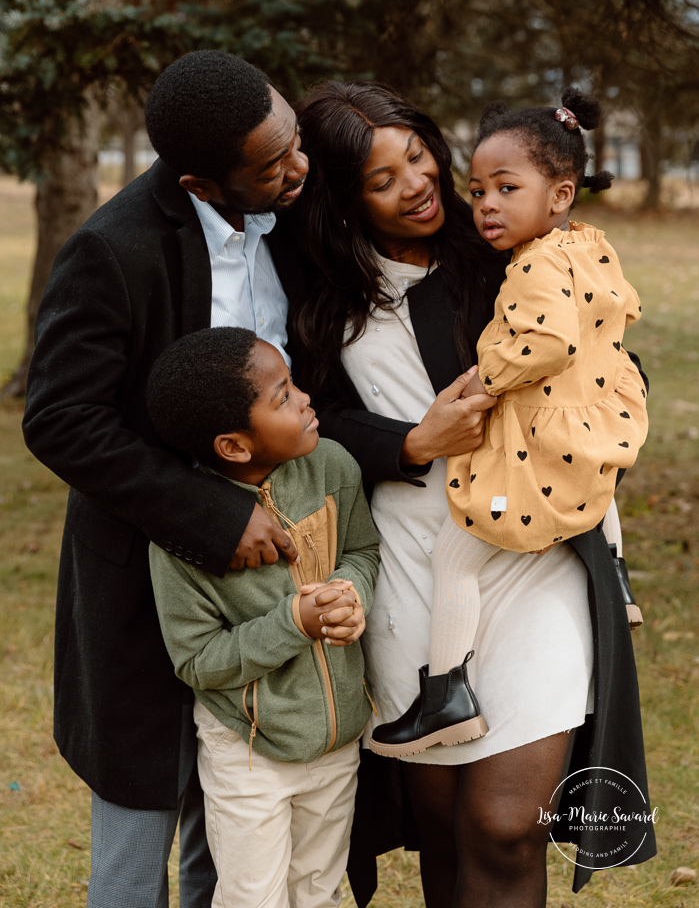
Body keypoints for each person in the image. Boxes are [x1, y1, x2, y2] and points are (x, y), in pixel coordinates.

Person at [290, 80, 655, 907]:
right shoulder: (324, 296)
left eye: (417, 158)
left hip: (533, 552)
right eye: (382, 180)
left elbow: (609, 362)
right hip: (416, 564)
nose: (416, 184)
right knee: (444, 821)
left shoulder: (506, 250)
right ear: (342, 199)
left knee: (504, 822)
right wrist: (411, 441)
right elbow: (309, 422)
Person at [22, 51, 314, 908]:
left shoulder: (295, 215)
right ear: (200, 180)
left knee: (239, 819)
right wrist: (209, 515)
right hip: (147, 566)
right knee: (142, 812)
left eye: (292, 139)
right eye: (271, 165)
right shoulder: (113, 251)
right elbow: (61, 419)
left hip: (278, 569)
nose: (297, 168)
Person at [370, 88, 648, 758]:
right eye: (476, 190)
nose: (485, 205)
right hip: (594, 412)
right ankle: (614, 577)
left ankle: (445, 695)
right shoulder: (587, 245)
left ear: (557, 195)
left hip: (539, 429)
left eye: (504, 188)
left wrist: (484, 376)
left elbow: (544, 341)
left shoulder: (531, 264)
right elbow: (620, 308)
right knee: (593, 474)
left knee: (452, 554)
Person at [146, 326, 380, 908]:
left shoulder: (330, 466)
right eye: (282, 397)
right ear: (233, 446)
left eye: (294, 384)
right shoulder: (183, 536)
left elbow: (362, 550)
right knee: (253, 899)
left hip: (336, 739)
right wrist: (293, 624)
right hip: (249, 752)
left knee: (319, 893)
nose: (304, 398)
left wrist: (352, 594)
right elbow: (197, 661)